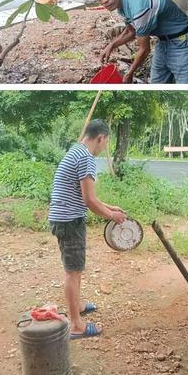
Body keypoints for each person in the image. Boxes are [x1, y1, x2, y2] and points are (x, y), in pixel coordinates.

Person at [49, 119, 126, 339]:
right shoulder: (86, 158)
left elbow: (85, 196)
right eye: (105, 142)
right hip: (69, 221)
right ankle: (76, 326)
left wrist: (109, 207)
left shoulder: (76, 151)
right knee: (72, 272)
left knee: (76, 268)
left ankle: (78, 306)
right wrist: (113, 216)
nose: (104, 147)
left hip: (63, 218)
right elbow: (89, 201)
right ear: (100, 137)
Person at [89, 0, 188, 84]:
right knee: (157, 83)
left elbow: (144, 49)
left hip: (182, 42)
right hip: (162, 42)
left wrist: (129, 73)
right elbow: (131, 31)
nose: (104, 1)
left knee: (187, 84)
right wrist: (111, 45)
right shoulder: (123, 2)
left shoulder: (139, 8)